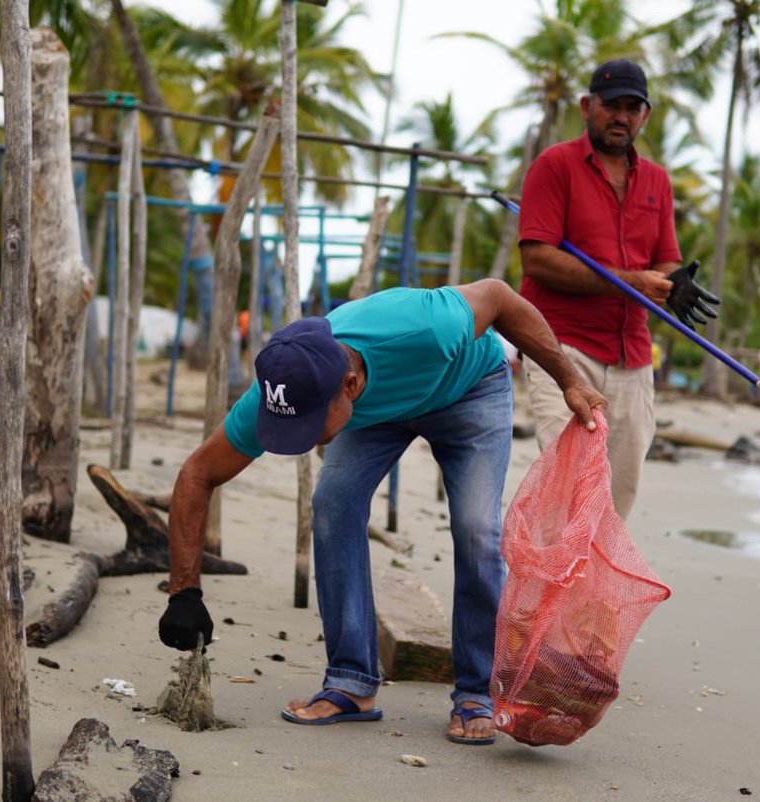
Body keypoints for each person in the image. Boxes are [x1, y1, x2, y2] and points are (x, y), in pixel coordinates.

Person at [158, 279, 606, 745]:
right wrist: (183, 594)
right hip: (374, 414)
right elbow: (196, 475)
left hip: (469, 388)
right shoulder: (290, 382)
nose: (303, 439)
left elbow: (499, 296)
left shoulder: (431, 328)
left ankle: (478, 692)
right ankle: (350, 682)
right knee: (332, 503)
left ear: (349, 385)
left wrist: (569, 380)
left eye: (309, 425)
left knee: (476, 527)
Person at [517, 58, 718, 519]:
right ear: (588, 106)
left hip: (633, 358)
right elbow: (538, 258)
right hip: (562, 350)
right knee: (568, 489)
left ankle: (590, 592)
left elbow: (664, 259)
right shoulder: (555, 165)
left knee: (615, 501)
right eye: (612, 105)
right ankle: (553, 588)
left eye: (633, 107)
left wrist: (676, 279)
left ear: (646, 115)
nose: (622, 116)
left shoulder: (658, 181)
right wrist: (631, 283)